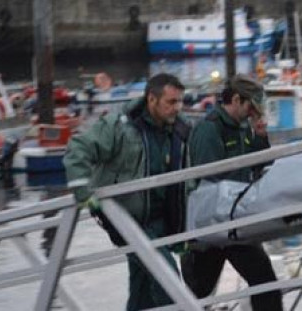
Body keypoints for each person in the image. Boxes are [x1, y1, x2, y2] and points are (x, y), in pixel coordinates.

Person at [64, 73, 190, 311]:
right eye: (171, 102)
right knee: (169, 282)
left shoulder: (181, 129)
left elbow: (187, 179)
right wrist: (82, 192)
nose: (178, 108)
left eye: (180, 101)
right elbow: (79, 148)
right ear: (152, 100)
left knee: (142, 291)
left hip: (163, 221)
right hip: (128, 221)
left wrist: (184, 229)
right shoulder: (118, 126)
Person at [181, 74, 283, 310]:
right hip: (214, 222)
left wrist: (259, 137)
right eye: (250, 107)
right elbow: (209, 179)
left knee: (263, 279)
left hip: (236, 220)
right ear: (236, 100)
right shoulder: (208, 130)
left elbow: (258, 166)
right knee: (200, 289)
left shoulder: (243, 128)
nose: (252, 113)